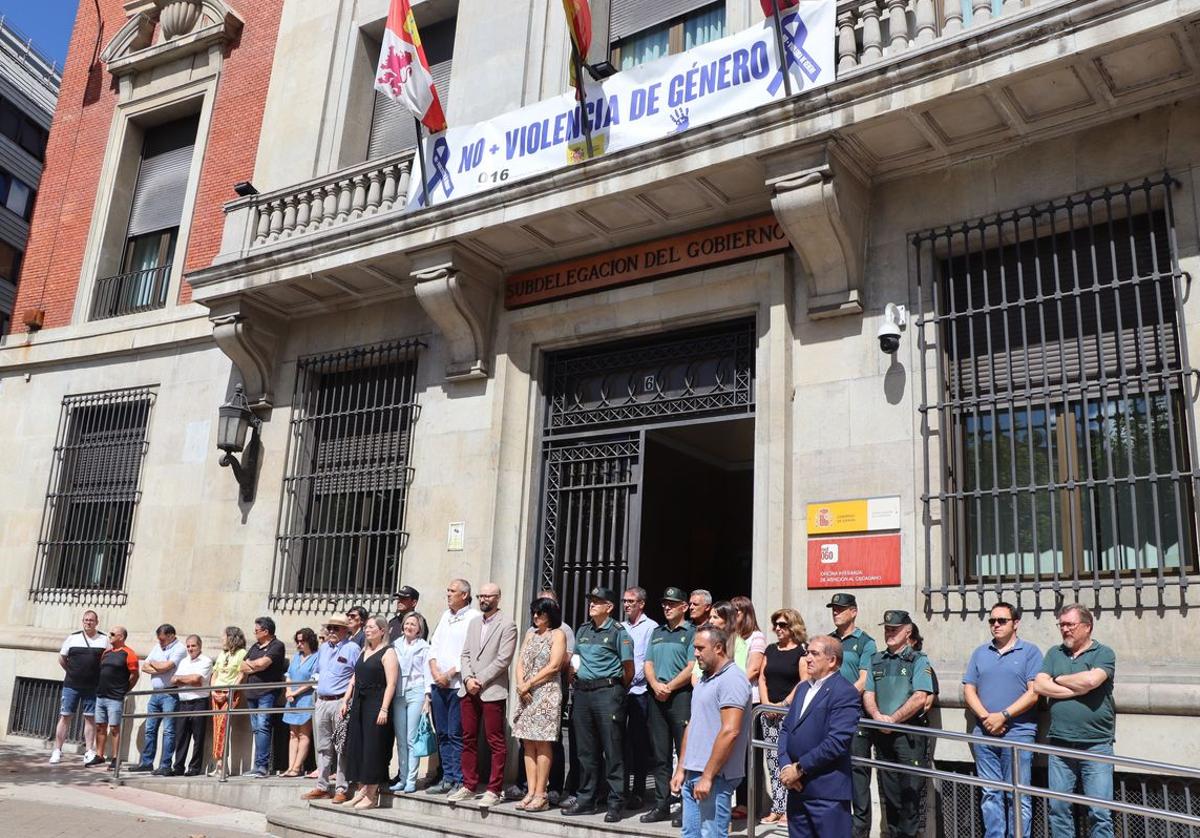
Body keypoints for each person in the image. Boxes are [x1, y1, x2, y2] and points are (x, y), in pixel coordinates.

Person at [1034, 603, 1117, 838]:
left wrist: (1057, 679)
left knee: (1100, 812)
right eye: (1061, 625)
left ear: (1087, 627)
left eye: (1070, 624)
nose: (1065, 629)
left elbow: (1091, 681)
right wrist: (1073, 688)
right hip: (1060, 744)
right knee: (1058, 808)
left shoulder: (1103, 653)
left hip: (1096, 744)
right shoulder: (1054, 653)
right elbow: (1040, 685)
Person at [963, 602, 1043, 838]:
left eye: (1002, 620)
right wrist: (987, 718)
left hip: (1018, 734)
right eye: (992, 621)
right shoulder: (980, 652)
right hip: (984, 733)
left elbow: (1034, 692)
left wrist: (1004, 715)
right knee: (990, 793)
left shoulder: (1030, 652)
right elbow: (969, 689)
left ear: (1016, 623)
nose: (995, 625)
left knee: (1018, 795)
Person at [670, 626, 751, 838]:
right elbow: (693, 725)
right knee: (690, 834)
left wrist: (707, 776)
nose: (695, 653)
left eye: (699, 648)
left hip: (715, 777)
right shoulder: (705, 679)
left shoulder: (733, 679)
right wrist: (681, 768)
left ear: (718, 648)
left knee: (711, 834)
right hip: (693, 772)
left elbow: (730, 731)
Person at [562, 586, 634, 823]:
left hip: (608, 693)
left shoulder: (618, 632)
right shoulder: (583, 630)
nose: (591, 605)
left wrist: (615, 689)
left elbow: (628, 669)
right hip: (583, 693)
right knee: (586, 751)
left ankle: (615, 802)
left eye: (597, 601)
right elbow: (576, 659)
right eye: (591, 601)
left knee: (612, 750)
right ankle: (586, 799)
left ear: (609, 607)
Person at [778, 636, 862, 837]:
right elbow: (786, 730)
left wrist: (800, 768)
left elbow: (837, 742)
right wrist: (786, 766)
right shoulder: (803, 688)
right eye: (807, 652)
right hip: (797, 790)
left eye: (814, 654)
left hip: (826, 794)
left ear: (832, 661)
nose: (807, 658)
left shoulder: (844, 692)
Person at [863, 610, 935, 838]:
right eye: (887, 629)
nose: (889, 633)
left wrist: (893, 720)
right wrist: (877, 716)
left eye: (894, 629)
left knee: (910, 797)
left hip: (908, 737)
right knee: (890, 795)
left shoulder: (918, 660)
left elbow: (920, 696)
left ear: (908, 631)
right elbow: (868, 692)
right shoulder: (877, 659)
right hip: (882, 734)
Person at [450, 582, 518, 807]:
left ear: (498, 598)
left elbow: (503, 659)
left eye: (489, 596)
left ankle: (494, 789)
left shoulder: (508, 625)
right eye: (481, 596)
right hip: (469, 688)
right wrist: (468, 679)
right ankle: (469, 785)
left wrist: (480, 679)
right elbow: (465, 654)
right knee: (468, 738)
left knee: (495, 740)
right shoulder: (474, 623)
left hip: (492, 690)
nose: (484, 599)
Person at [641, 586, 696, 827]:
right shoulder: (657, 632)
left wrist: (669, 687)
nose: (667, 607)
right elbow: (648, 662)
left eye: (672, 604)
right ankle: (661, 804)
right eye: (664, 603)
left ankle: (687, 806)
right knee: (660, 755)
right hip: (656, 696)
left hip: (680, 697)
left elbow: (692, 665)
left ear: (684, 607)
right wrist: (654, 684)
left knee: (686, 755)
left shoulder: (692, 632)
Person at [827, 592, 877, 838]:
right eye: (834, 609)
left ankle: (859, 832)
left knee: (858, 775)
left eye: (841, 608)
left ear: (853, 611)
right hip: (828, 718)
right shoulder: (828, 641)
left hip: (853, 716)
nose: (836, 612)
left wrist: (839, 698)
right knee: (831, 772)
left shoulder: (866, 642)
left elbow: (864, 680)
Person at [512, 596, 567, 812]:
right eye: (534, 612)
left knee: (543, 742)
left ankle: (542, 793)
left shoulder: (558, 635)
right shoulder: (530, 635)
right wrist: (521, 684)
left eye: (540, 613)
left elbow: (554, 666)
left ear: (550, 615)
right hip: (526, 692)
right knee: (528, 743)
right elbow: (520, 661)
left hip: (546, 692)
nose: (536, 617)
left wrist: (529, 684)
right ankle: (531, 791)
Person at [426, 578, 480, 795]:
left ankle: (460, 779)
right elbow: (434, 647)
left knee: (456, 733)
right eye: (447, 590)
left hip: (458, 685)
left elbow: (471, 651)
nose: (448, 594)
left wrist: (450, 674)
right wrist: (435, 672)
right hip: (439, 684)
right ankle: (448, 777)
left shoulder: (473, 618)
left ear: (464, 595)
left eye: (452, 591)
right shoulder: (445, 616)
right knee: (442, 733)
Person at [341, 616, 399, 809]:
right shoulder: (364, 650)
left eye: (371, 627)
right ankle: (361, 790)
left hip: (376, 702)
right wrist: (346, 698)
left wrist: (384, 708)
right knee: (358, 746)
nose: (367, 630)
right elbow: (355, 677)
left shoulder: (388, 652)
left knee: (373, 748)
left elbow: (391, 683)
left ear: (382, 630)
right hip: (359, 702)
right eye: (366, 627)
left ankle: (372, 794)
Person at [759, 608, 809, 824]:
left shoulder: (801, 652)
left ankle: (790, 808)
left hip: (788, 715)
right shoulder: (770, 650)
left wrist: (782, 705)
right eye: (776, 624)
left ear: (793, 627)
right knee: (772, 761)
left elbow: (803, 682)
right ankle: (777, 807)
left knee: (788, 761)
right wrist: (766, 705)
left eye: (783, 625)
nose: (778, 629)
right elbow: (761, 677)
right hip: (768, 714)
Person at [303, 615, 360, 804]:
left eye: (336, 628)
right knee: (323, 746)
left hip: (339, 701)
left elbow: (356, 676)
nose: (332, 632)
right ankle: (322, 786)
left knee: (341, 746)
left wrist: (347, 700)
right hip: (322, 701)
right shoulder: (324, 648)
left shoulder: (352, 648)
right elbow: (317, 671)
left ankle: (341, 788)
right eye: (330, 628)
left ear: (346, 630)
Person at [53, 610, 108, 765]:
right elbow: (62, 658)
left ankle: (89, 751)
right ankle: (57, 750)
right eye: (85, 620)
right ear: (82, 621)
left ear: (97, 622)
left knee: (90, 718)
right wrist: (72, 673)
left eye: (91, 620)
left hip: (93, 686)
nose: (88, 622)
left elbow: (107, 660)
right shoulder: (73, 638)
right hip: (71, 685)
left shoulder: (104, 640)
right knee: (65, 716)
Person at [131, 624, 187, 775]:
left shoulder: (179, 648)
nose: (160, 642)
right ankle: (147, 762)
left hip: (170, 694)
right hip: (155, 693)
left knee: (168, 731)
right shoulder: (158, 647)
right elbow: (144, 667)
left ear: (171, 636)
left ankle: (165, 765)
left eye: (162, 639)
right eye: (159, 639)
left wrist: (157, 665)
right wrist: (160, 667)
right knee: (150, 729)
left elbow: (167, 666)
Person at [621, 585, 658, 809]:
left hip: (639, 692)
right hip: (621, 691)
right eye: (625, 601)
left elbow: (646, 661)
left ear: (641, 604)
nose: (626, 605)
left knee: (638, 744)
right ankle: (620, 789)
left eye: (631, 601)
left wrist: (629, 679)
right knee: (619, 743)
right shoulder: (621, 627)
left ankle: (639, 791)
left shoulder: (651, 627)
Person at [730, 595, 767, 820]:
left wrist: (729, 688)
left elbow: (752, 670)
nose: (734, 615)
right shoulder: (731, 637)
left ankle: (749, 804)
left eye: (738, 610)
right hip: (732, 701)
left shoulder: (757, 637)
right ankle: (738, 801)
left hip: (749, 701)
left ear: (747, 613)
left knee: (750, 757)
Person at [240, 616, 286, 777]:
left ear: (266, 631)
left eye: (257, 630)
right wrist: (255, 666)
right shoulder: (255, 646)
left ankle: (262, 767)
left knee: (263, 727)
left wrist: (253, 666)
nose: (254, 632)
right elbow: (242, 666)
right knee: (256, 729)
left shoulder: (277, 645)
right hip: (251, 692)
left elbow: (262, 664)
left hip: (266, 692)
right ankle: (257, 765)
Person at [391, 611, 431, 794]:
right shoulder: (395, 645)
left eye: (413, 625)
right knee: (400, 739)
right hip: (399, 692)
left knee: (411, 738)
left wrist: (427, 697)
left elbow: (427, 672)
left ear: (419, 629)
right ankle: (402, 776)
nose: (409, 627)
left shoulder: (424, 647)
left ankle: (411, 779)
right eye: (407, 624)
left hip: (416, 691)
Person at [90, 626, 138, 769]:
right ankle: (99, 755)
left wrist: (125, 689)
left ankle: (116, 758)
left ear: (121, 637)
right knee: (99, 726)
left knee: (115, 728)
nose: (109, 636)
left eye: (112, 634)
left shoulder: (129, 653)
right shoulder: (107, 652)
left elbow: (134, 675)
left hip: (115, 698)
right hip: (101, 695)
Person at [171, 634, 214, 776]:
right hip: (183, 702)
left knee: (198, 736)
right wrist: (186, 679)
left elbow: (197, 680)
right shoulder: (184, 661)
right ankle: (178, 767)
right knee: (181, 736)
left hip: (199, 702)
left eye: (193, 645)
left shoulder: (206, 661)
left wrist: (181, 679)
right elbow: (173, 680)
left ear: (200, 646)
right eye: (188, 646)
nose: (190, 649)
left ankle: (194, 768)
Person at [281, 627, 319, 777]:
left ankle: (297, 767)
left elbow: (312, 680)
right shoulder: (296, 656)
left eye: (302, 641)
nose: (299, 644)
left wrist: (295, 692)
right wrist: (288, 690)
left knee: (304, 734)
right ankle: (290, 767)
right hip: (292, 698)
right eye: (297, 641)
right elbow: (289, 674)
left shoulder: (316, 657)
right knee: (292, 733)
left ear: (310, 641)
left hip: (306, 698)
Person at [210, 626, 247, 774]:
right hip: (216, 693)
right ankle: (218, 763)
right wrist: (213, 690)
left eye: (224, 636)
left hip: (229, 693)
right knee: (216, 728)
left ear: (231, 637)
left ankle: (223, 766)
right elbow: (215, 673)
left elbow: (241, 675)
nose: (221, 639)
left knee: (223, 728)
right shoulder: (222, 654)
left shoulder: (242, 653)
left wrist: (229, 692)